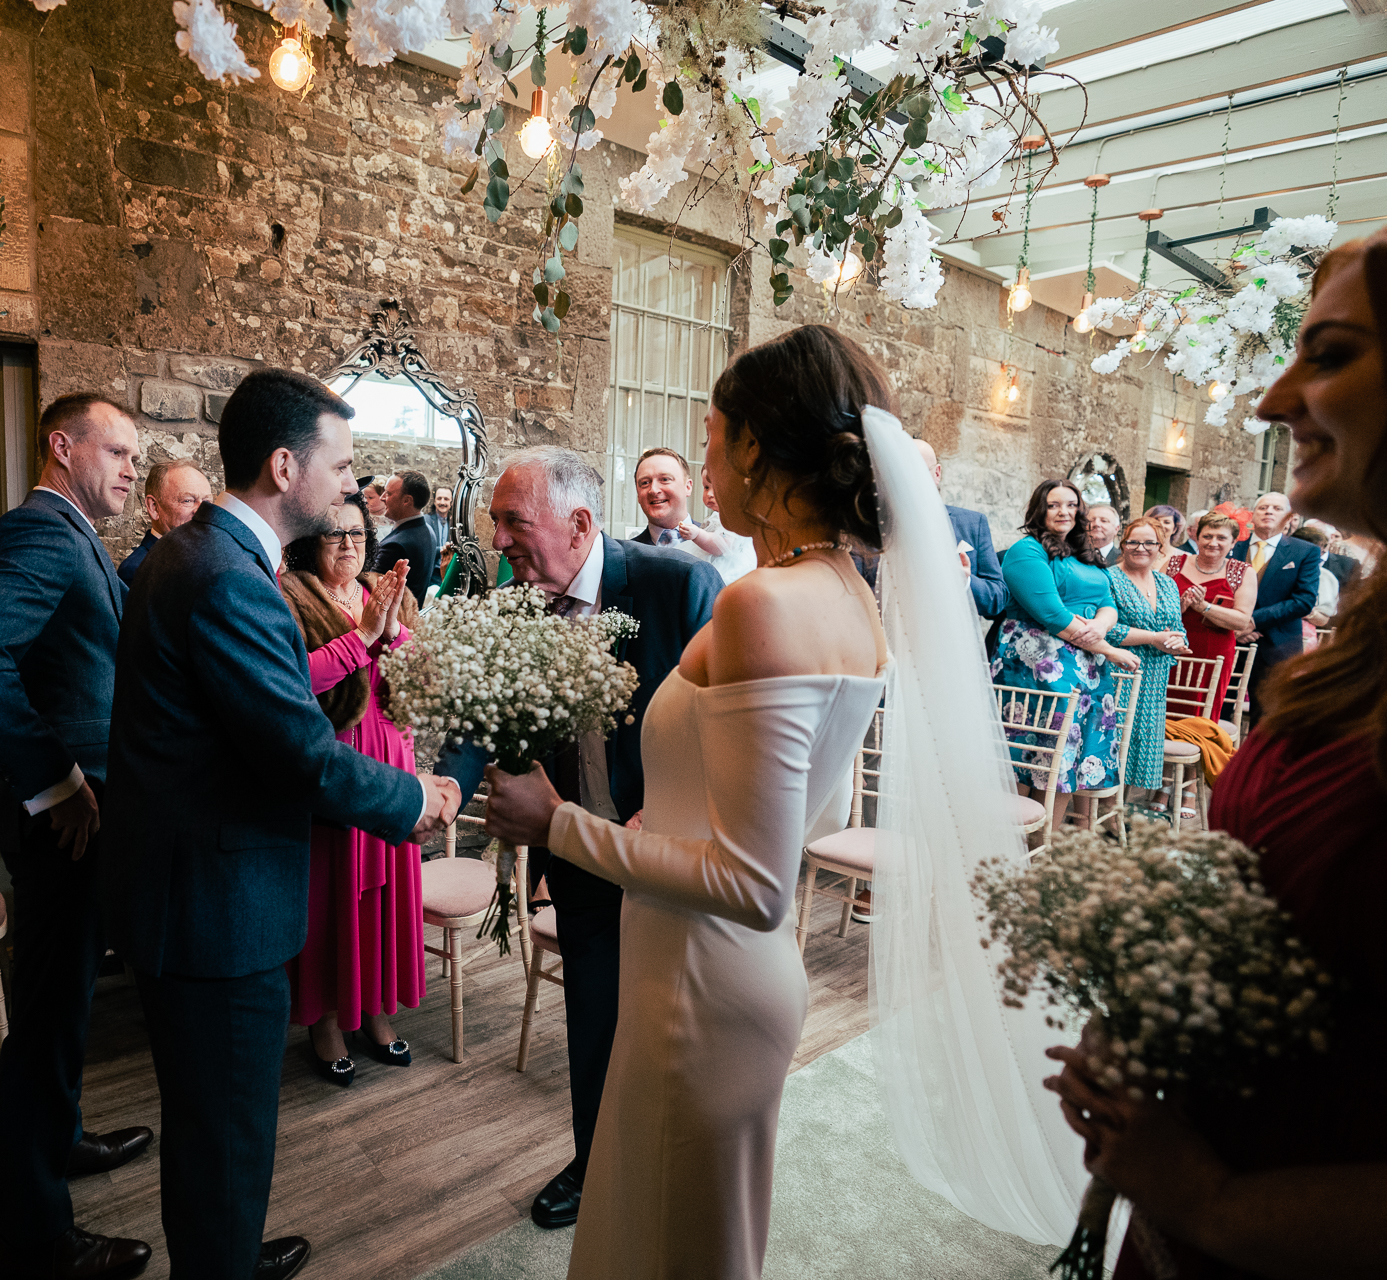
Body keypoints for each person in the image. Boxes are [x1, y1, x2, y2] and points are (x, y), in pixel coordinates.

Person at [1045, 201, 1387, 1280]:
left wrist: (1218, 1201)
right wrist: (1152, 1003)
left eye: (1331, 354)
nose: (1277, 399)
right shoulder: (1385, 630)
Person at [481, 325, 890, 1278]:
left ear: (755, 448)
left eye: (710, 442)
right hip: (712, 968)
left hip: (700, 983)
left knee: (669, 1244)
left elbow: (753, 884)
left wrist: (558, 825)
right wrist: (656, 820)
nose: (702, 473)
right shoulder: (848, 592)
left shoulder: (760, 605)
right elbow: (787, 817)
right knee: (693, 1242)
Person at [101, 369, 460, 1280]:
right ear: (285, 463)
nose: (352, 485)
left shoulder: (199, 558)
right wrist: (416, 798)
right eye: (340, 467)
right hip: (216, 912)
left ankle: (221, 1250)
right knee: (224, 1134)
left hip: (189, 894)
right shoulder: (230, 580)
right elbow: (298, 753)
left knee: (216, 1133)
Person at [435, 446, 721, 1234]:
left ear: (581, 523)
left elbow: (719, 729)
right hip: (576, 862)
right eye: (494, 521)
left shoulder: (679, 587)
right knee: (593, 1024)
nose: (497, 541)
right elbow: (478, 700)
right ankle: (594, 1163)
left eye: (511, 521)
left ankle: (671, 1168)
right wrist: (452, 782)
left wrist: (661, 813)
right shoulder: (516, 593)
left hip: (663, 862)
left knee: (668, 1031)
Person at [0, 393, 155, 1280]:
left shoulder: (78, 540)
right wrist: (57, 782)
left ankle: (61, 1142)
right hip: (62, 825)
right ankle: (35, 1243)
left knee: (64, 1009)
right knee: (42, 1027)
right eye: (120, 450)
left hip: (85, 822)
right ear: (62, 448)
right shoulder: (40, 533)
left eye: (139, 456)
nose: (134, 469)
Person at [278, 494, 424, 1086]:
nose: (348, 544)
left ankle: (378, 1012)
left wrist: (393, 637)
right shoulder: (289, 596)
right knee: (336, 894)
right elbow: (295, 682)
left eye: (358, 533)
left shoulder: (384, 590)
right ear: (311, 541)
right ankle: (328, 1021)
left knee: (385, 895)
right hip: (335, 762)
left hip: (390, 753)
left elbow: (413, 669)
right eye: (334, 534)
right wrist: (364, 636)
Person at [993, 479, 1137, 831]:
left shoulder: (1084, 552)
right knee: (1033, 753)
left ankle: (1045, 842)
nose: (1064, 512)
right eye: (1054, 505)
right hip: (1038, 663)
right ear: (1039, 510)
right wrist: (1109, 649)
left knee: (1067, 758)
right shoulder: (1026, 551)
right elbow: (1053, 615)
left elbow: (1108, 602)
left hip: (1086, 667)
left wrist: (1101, 627)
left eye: (1071, 505)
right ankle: (1011, 841)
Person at [1103, 517, 1192, 800]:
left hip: (1155, 676)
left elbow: (1176, 627)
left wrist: (1178, 643)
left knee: (1142, 744)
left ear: (1160, 547)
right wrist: (1154, 638)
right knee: (1114, 741)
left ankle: (1123, 805)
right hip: (1120, 670)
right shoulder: (1108, 578)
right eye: (1133, 542)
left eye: (1149, 542)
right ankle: (1104, 809)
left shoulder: (1167, 584)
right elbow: (1108, 629)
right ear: (1123, 544)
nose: (1141, 548)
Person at [1229, 491, 1320, 716]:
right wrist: (1235, 626)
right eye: (1263, 507)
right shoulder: (1233, 548)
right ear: (1252, 516)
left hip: (1277, 645)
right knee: (1218, 710)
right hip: (1229, 641)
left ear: (1289, 519)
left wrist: (1252, 621)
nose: (1269, 511)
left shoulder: (1305, 551)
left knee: (1268, 715)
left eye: (1277, 509)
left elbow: (1304, 600)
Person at [1168, 513, 1259, 720]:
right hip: (1171, 648)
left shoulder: (1241, 572)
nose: (1213, 543)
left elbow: (1242, 621)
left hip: (1214, 652)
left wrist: (1204, 607)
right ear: (1197, 538)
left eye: (1221, 538)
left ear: (1233, 542)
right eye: (1207, 536)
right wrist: (1178, 609)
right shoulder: (1174, 564)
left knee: (1201, 715)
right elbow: (1155, 609)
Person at [913, 438, 1009, 619]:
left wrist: (966, 582)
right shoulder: (877, 529)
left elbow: (998, 598)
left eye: (919, 470)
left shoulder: (973, 523)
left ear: (937, 473)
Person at [117, 460, 211, 586]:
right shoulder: (137, 570)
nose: (202, 511)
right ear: (154, 507)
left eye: (206, 502)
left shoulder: (211, 558)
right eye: (188, 500)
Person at [630, 446, 727, 554]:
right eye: (645, 483)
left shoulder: (720, 539)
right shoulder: (627, 555)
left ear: (688, 487)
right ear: (638, 494)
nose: (653, 490)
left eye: (665, 479)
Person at [674, 472, 757, 582]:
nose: (709, 494)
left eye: (717, 487)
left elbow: (722, 543)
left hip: (725, 569)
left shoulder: (734, 519)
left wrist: (698, 534)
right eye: (706, 487)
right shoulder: (718, 516)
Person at [371, 470, 439, 604]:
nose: (382, 497)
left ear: (407, 500)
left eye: (388, 493)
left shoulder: (396, 545)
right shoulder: (427, 529)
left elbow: (368, 586)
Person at [1088, 502, 1123, 567]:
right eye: (1090, 520)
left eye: (1104, 521)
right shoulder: (1072, 558)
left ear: (1116, 529)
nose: (1096, 524)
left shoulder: (1124, 560)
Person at [424, 484, 452, 551]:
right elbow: (424, 548)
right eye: (439, 498)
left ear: (451, 502)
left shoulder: (455, 522)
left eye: (446, 499)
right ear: (434, 501)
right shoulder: (426, 520)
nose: (442, 502)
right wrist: (442, 549)